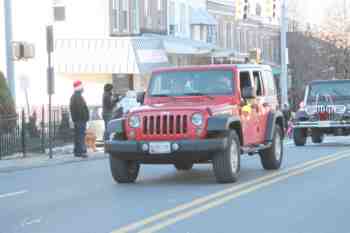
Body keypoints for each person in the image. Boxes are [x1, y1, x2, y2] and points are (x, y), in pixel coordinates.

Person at [70, 80, 89, 158]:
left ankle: (77, 152)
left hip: (78, 120)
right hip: (80, 120)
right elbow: (80, 109)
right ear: (79, 88)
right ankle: (82, 151)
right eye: (82, 87)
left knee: (78, 136)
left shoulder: (76, 96)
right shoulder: (77, 97)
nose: (83, 88)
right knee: (81, 136)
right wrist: (84, 118)